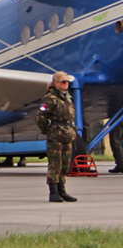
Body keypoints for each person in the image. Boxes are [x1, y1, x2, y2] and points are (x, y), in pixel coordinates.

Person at [38, 72, 79, 203]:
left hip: (67, 134)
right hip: (56, 135)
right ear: (56, 83)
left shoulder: (67, 97)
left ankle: (62, 190)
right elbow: (40, 117)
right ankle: (53, 192)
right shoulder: (50, 98)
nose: (66, 84)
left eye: (67, 82)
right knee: (55, 163)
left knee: (65, 164)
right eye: (63, 82)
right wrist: (48, 130)